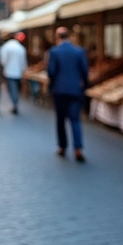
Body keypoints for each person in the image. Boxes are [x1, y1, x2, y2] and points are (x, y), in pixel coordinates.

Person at [47, 26, 90, 161]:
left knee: (60, 120)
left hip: (59, 90)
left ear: (57, 37)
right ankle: (78, 148)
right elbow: (85, 71)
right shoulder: (79, 51)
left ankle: (62, 146)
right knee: (75, 120)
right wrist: (83, 86)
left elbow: (51, 72)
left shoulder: (54, 52)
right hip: (75, 90)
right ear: (69, 36)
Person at [0, 32, 28, 114]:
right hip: (18, 72)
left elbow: (3, 61)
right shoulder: (21, 48)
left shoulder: (6, 47)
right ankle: (15, 103)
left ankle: (14, 104)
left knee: (12, 89)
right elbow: (23, 62)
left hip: (9, 72)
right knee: (16, 89)